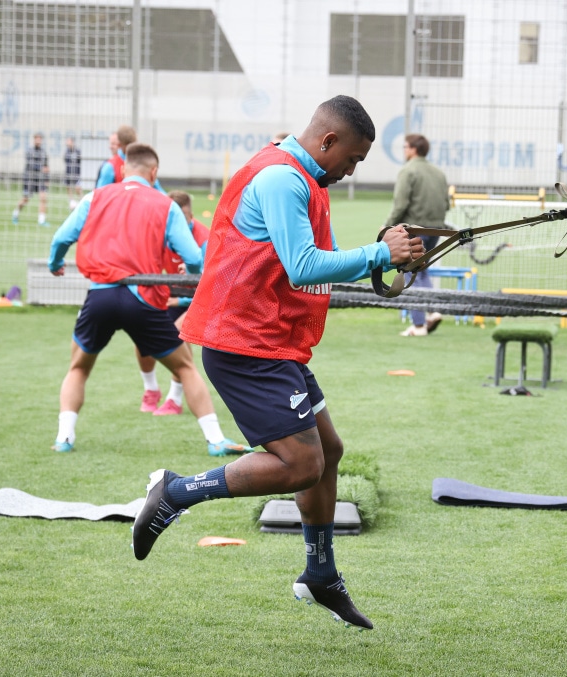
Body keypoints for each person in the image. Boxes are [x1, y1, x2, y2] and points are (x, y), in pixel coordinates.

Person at [131, 95, 423, 631]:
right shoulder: (282, 179)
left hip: (271, 343)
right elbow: (303, 266)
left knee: (328, 451)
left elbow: (323, 265)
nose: (352, 171)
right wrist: (381, 255)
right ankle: (173, 492)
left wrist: (383, 251)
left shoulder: (307, 179)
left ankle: (320, 575)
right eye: (353, 159)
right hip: (243, 345)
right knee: (302, 463)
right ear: (328, 141)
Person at [47, 143, 243, 457]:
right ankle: (216, 440)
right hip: (143, 300)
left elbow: (60, 239)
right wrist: (191, 280)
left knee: (78, 368)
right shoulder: (166, 206)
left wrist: (55, 262)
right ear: (154, 173)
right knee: (186, 368)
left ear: (123, 169)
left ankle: (64, 438)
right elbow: (193, 257)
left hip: (101, 296)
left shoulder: (94, 197)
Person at [138, 190, 211, 417]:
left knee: (179, 331)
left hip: (203, 300)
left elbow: (212, 286)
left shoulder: (205, 239)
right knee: (140, 331)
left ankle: (174, 399)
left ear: (190, 215)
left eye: (182, 216)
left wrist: (181, 297)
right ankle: (151, 389)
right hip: (174, 299)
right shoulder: (160, 234)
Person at [384, 133, 448, 336]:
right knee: (424, 271)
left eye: (405, 146)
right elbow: (446, 203)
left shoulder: (408, 171)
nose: (403, 150)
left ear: (413, 149)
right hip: (437, 228)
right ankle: (433, 311)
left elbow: (400, 204)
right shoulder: (438, 173)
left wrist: (387, 227)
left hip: (415, 228)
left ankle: (419, 325)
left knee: (410, 273)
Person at [12, 132, 50, 227]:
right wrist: (40, 168)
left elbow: (46, 166)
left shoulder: (43, 152)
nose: (38, 140)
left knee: (43, 198)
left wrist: (46, 178)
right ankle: (16, 213)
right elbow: (31, 165)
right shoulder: (30, 151)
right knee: (26, 199)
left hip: (40, 179)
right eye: (36, 138)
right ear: (34, 140)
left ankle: (41, 220)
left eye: (40, 139)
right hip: (30, 179)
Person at [64, 136, 83, 210]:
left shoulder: (77, 151)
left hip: (76, 173)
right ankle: (71, 202)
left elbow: (79, 161)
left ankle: (81, 200)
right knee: (69, 187)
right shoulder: (67, 152)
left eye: (69, 141)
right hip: (68, 173)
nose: (67, 143)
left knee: (78, 188)